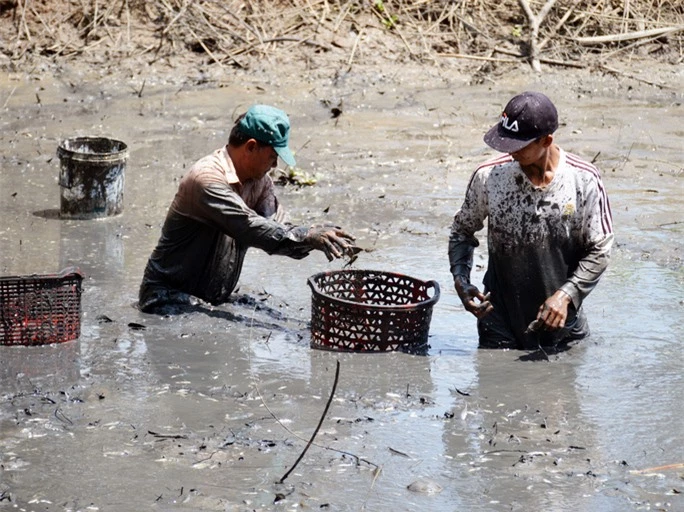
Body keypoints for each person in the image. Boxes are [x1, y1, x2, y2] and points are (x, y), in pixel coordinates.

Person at [139, 104, 356, 313]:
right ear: (251, 146)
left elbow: (278, 227)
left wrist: (318, 234)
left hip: (211, 298)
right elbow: (250, 228)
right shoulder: (206, 179)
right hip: (166, 297)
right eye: (272, 157)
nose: (274, 166)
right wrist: (307, 236)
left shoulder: (259, 181)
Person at [448, 91, 613, 350]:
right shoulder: (491, 176)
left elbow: (600, 251)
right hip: (498, 319)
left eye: (518, 147)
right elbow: (462, 232)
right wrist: (461, 279)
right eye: (505, 144)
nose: (510, 153)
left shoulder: (583, 180)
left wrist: (565, 295)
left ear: (546, 141)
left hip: (562, 320)